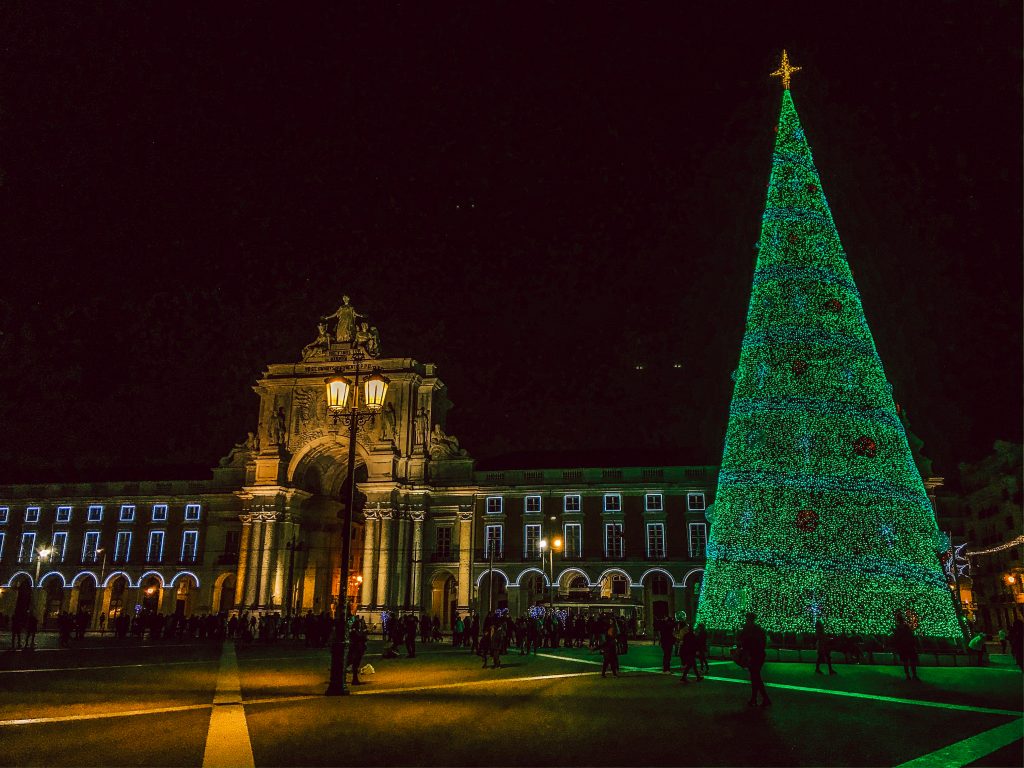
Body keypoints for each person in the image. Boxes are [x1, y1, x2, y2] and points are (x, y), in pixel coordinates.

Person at [738, 612, 771, 707]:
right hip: (759, 654)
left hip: (753, 655)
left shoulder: (748, 629)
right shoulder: (759, 629)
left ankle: (763, 699)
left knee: (755, 677)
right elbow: (763, 642)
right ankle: (755, 698)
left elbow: (743, 642)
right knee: (755, 676)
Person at [893, 610, 919, 680]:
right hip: (909, 646)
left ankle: (908, 676)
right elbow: (911, 636)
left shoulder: (898, 629)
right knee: (911, 661)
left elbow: (896, 639)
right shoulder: (906, 627)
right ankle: (914, 675)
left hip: (904, 647)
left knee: (906, 662)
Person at [349, 616, 368, 685]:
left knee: (356, 663)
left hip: (358, 648)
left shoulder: (357, 630)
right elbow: (359, 636)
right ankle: (354, 679)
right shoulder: (354, 631)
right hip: (356, 648)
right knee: (355, 663)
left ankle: (355, 678)